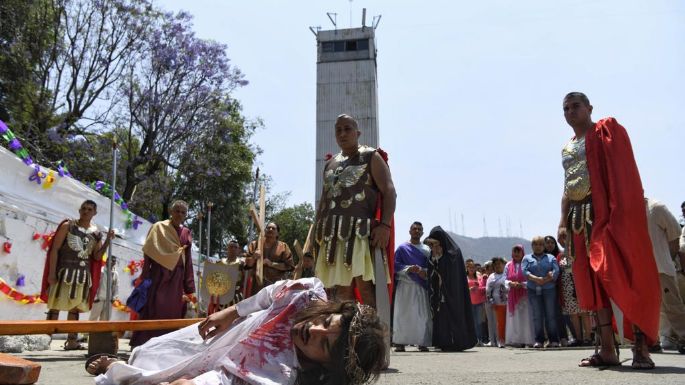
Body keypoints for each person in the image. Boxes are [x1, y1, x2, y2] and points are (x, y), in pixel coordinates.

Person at [87, 278, 386, 385]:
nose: (314, 330)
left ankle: (116, 368)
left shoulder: (283, 374)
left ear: (325, 366)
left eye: (324, 345)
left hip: (218, 369)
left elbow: (227, 380)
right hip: (223, 337)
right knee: (155, 352)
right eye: (327, 324)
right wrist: (232, 312)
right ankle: (124, 365)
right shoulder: (306, 294)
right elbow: (267, 295)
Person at [557, 92, 660, 369]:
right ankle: (606, 349)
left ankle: (640, 348)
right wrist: (562, 222)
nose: (570, 112)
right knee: (590, 284)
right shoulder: (567, 147)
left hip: (607, 215)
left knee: (625, 274)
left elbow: (622, 173)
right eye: (565, 108)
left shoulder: (605, 133)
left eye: (575, 106)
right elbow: (568, 187)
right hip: (578, 219)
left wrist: (621, 214)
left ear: (589, 107)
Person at [312, 114, 396, 307]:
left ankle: (372, 333)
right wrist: (316, 231)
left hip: (361, 233)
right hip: (332, 235)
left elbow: (389, 191)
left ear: (357, 133)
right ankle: (346, 333)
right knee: (340, 290)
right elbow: (324, 200)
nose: (342, 133)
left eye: (347, 129)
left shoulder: (370, 156)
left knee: (365, 286)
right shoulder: (330, 163)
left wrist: (385, 225)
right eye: (338, 130)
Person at [40, 199, 114, 350]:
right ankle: (45, 339)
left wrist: (107, 241)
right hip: (64, 272)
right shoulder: (68, 226)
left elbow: (97, 257)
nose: (86, 211)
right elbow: (55, 249)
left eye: (89, 209)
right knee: (55, 307)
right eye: (83, 208)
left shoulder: (96, 233)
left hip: (82, 275)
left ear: (95, 213)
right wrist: (51, 273)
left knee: (75, 309)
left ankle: (72, 341)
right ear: (79, 210)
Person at [130, 200, 196, 347]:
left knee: (172, 311)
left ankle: (166, 345)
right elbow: (149, 251)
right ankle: (144, 343)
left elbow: (188, 260)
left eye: (183, 212)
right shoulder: (158, 227)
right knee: (153, 309)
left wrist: (189, 286)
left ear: (186, 215)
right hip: (158, 275)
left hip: (176, 278)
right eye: (177, 211)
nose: (179, 214)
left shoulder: (186, 232)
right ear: (171, 212)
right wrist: (145, 275)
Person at [424, 226, 477, 351]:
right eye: (431, 245)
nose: (433, 247)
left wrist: (439, 260)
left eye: (435, 244)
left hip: (453, 292)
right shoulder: (434, 254)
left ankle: (457, 341)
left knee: (453, 315)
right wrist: (434, 259)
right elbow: (432, 270)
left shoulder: (454, 253)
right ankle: (442, 341)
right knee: (441, 316)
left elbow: (450, 272)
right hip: (439, 293)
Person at [644, 198, 685, 353]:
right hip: (644, 270)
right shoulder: (630, 210)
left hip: (661, 267)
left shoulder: (656, 208)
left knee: (673, 305)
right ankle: (654, 340)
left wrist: (668, 257)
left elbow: (675, 235)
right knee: (651, 309)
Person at [391, 221, 431, 352]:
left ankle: (422, 342)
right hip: (405, 285)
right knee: (402, 314)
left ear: (423, 232)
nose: (417, 231)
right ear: (410, 231)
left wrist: (422, 271)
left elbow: (431, 267)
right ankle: (400, 342)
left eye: (419, 229)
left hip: (420, 284)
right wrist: (409, 269)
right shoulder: (402, 248)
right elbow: (395, 265)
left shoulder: (426, 250)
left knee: (421, 314)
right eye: (414, 229)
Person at [523, 236, 560, 348]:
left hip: (549, 289)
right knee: (537, 316)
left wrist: (547, 279)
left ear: (543, 246)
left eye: (540, 244)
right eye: (535, 244)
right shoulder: (527, 258)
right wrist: (536, 279)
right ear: (532, 246)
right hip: (533, 290)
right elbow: (524, 271)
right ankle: (539, 340)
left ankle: (553, 340)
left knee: (550, 315)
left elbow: (556, 270)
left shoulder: (551, 257)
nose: (538, 247)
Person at [244, 222, 295, 296]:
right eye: (268, 228)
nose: (270, 229)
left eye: (273, 228)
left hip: (275, 286)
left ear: (277, 233)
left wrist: (271, 264)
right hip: (256, 286)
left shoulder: (283, 247)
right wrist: (254, 257)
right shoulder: (255, 245)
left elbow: (289, 266)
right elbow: (247, 265)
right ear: (264, 231)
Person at [504, 244, 535, 348]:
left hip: (525, 295)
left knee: (526, 318)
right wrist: (510, 283)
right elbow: (504, 279)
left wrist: (523, 284)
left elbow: (530, 277)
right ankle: (516, 340)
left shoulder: (527, 264)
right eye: (515, 251)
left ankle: (528, 340)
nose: (516, 254)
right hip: (512, 295)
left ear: (523, 253)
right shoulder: (508, 265)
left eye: (519, 251)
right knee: (515, 318)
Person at [544, 235, 570, 346]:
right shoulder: (541, 258)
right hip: (545, 289)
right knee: (548, 316)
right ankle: (552, 339)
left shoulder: (560, 256)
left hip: (559, 289)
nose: (550, 244)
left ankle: (564, 337)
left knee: (560, 315)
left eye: (552, 242)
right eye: (547, 242)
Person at [486, 257, 508, 348]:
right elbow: (488, 291)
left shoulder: (507, 274)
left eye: (500, 263)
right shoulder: (491, 276)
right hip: (496, 303)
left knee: (507, 323)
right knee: (497, 323)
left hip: (508, 303)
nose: (498, 265)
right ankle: (497, 340)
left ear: (504, 264)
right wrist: (492, 301)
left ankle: (508, 340)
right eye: (496, 264)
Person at [89, 256, 119, 321]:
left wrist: (114, 298)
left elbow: (116, 286)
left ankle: (101, 332)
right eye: (110, 260)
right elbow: (95, 283)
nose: (112, 262)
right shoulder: (100, 270)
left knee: (105, 320)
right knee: (93, 319)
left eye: (114, 261)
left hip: (109, 301)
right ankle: (89, 331)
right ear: (107, 260)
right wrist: (95, 297)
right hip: (99, 299)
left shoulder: (115, 273)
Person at [466, 259, 486, 346]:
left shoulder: (479, 276)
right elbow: (461, 289)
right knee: (471, 322)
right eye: (469, 267)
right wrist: (470, 289)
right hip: (469, 303)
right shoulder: (464, 277)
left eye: (473, 267)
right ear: (467, 268)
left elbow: (484, 288)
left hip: (479, 302)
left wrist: (478, 288)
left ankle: (479, 339)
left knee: (479, 322)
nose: (471, 269)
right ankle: (471, 339)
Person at [482, 260, 498, 347]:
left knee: (496, 321)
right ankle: (491, 340)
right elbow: (481, 288)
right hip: (487, 301)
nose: (491, 270)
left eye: (492, 268)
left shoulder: (497, 277)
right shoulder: (484, 278)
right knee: (490, 322)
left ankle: (498, 340)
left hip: (497, 301)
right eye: (489, 269)